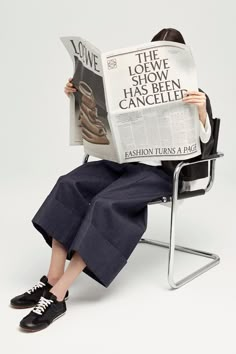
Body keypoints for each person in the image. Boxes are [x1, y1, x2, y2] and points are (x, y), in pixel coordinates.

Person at [10, 27, 213, 332]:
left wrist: (200, 114)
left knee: (106, 204)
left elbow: (205, 144)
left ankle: (59, 292)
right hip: (121, 162)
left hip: (158, 173)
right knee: (69, 184)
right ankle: (50, 277)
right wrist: (77, 95)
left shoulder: (197, 94)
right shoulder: (131, 87)